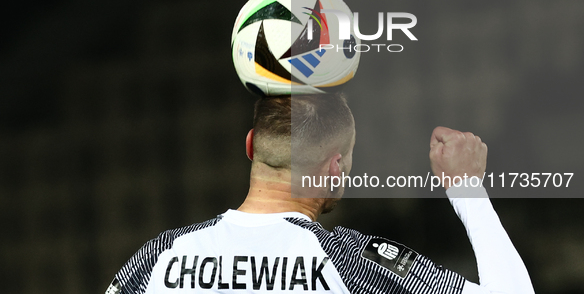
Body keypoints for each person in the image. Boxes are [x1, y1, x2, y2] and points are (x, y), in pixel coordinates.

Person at [105, 93, 534, 293]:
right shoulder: (350, 263)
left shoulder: (157, 258)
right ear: (336, 166)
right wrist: (466, 187)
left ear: (251, 145)